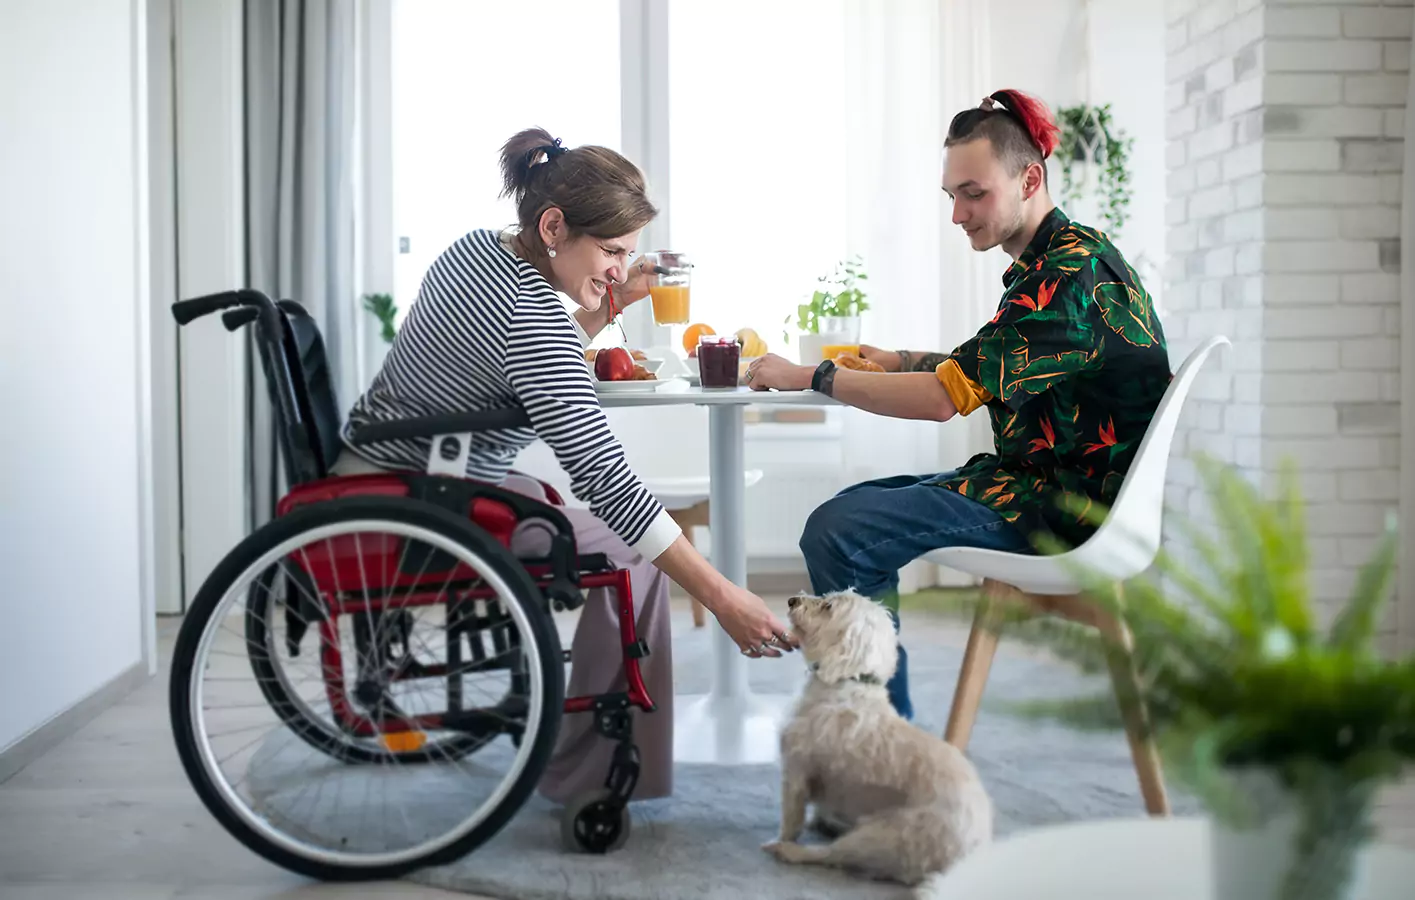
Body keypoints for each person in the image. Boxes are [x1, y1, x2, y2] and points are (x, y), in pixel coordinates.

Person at [334, 128, 795, 803]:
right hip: (424, 501)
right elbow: (604, 476)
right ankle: (587, 777)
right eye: (611, 251)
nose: (619, 267)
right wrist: (722, 596)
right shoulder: (531, 315)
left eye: (628, 254)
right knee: (634, 555)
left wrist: (613, 298)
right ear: (553, 226)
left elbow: (520, 360)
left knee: (580, 514)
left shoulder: (479, 251)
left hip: (381, 465)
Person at [745, 89, 1171, 721]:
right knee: (843, 516)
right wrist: (898, 359)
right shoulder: (1067, 257)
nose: (958, 215)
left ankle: (878, 741)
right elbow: (988, 367)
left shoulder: (1067, 278)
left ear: (1029, 178)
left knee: (841, 530)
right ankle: (878, 727)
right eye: (952, 197)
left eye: (974, 193)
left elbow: (946, 399)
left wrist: (810, 375)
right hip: (1042, 481)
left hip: (1066, 509)